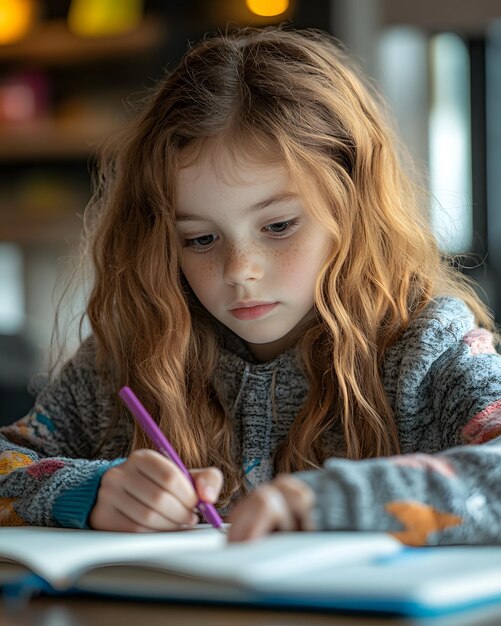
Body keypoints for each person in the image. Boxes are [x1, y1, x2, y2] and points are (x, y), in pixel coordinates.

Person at [0, 27, 500, 545]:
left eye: (279, 226)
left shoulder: (424, 348)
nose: (239, 269)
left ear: (353, 209)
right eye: (199, 238)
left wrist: (324, 501)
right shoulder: (132, 350)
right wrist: (90, 491)